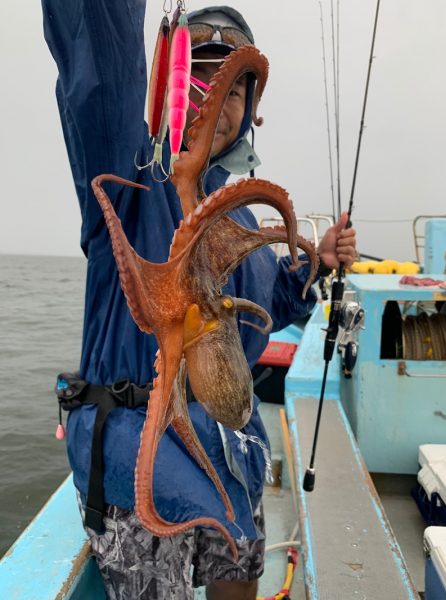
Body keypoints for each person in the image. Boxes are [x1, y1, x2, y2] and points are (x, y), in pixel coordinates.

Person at [42, 3, 356, 599]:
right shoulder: (130, 168)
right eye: (202, 73)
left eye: (236, 87)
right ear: (168, 78)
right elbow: (100, 69)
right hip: (140, 451)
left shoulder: (235, 212)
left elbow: (268, 300)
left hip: (228, 446)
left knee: (240, 567)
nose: (218, 96)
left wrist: (317, 261)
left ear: (252, 112)